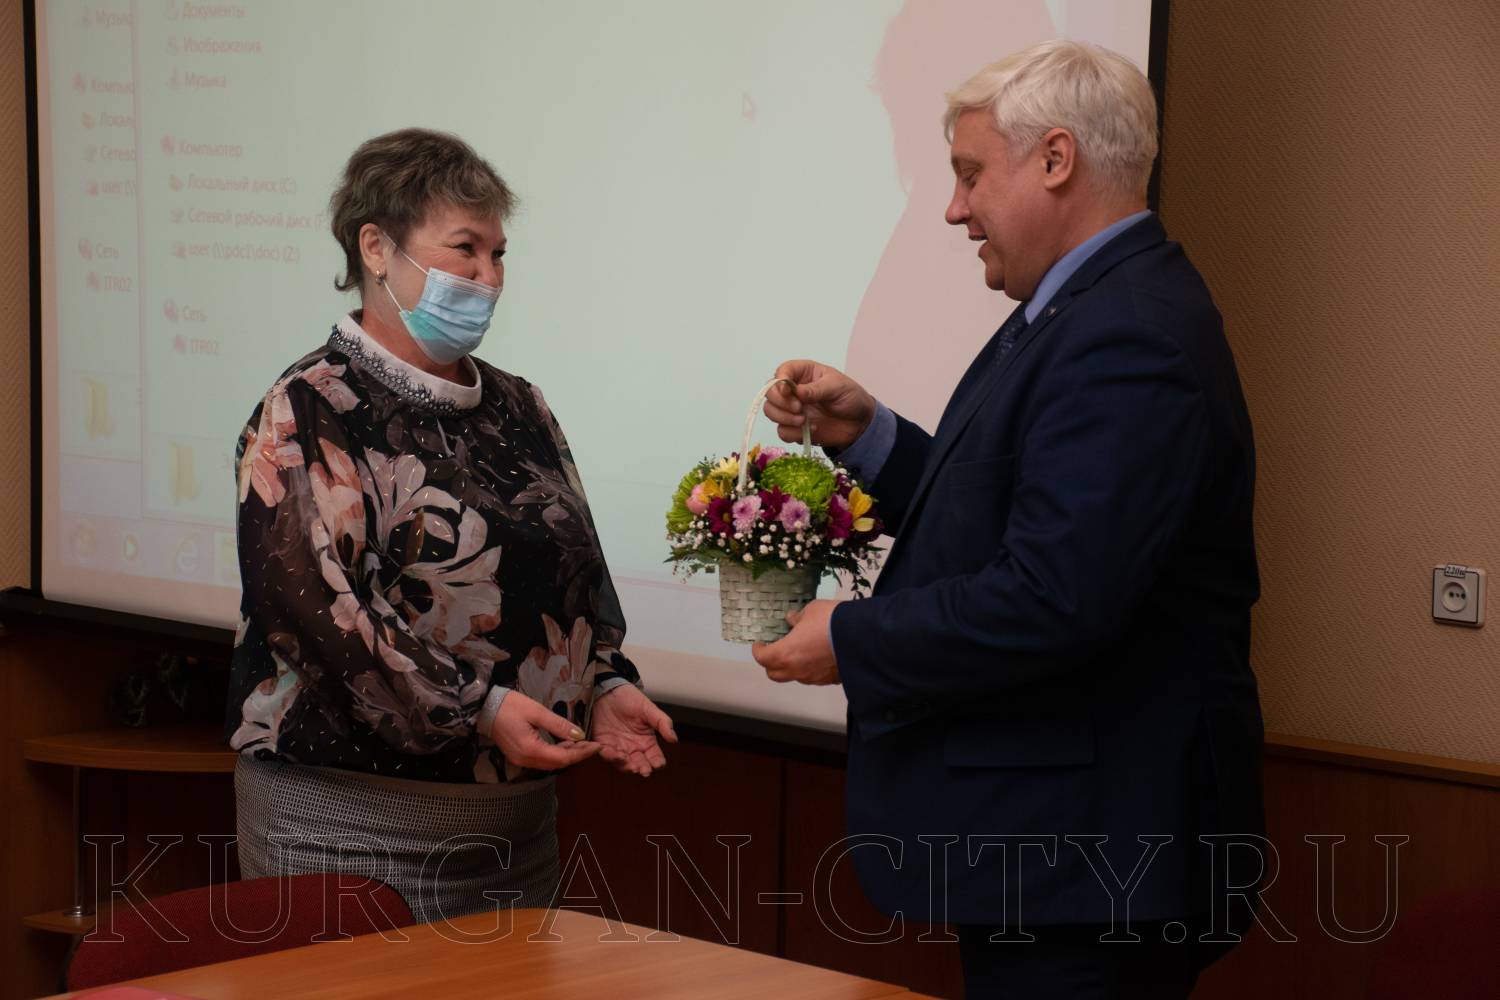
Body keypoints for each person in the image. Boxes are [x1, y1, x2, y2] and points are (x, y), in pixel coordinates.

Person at [754, 41, 1264, 999]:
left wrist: (852, 639)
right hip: (1067, 855)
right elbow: (1012, 517)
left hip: (1092, 864)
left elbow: (1054, 595)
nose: (954, 209)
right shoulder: (1088, 308)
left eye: (970, 173)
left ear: (1057, 159)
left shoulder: (1126, 334)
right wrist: (867, 435)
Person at [227, 128, 676, 924]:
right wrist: (480, 710)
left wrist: (601, 684)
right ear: (376, 247)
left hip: (512, 835)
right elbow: (316, 612)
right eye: (465, 249)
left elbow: (573, 576)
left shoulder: (521, 404)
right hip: (348, 830)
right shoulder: (307, 409)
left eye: (499, 255)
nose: (489, 278)